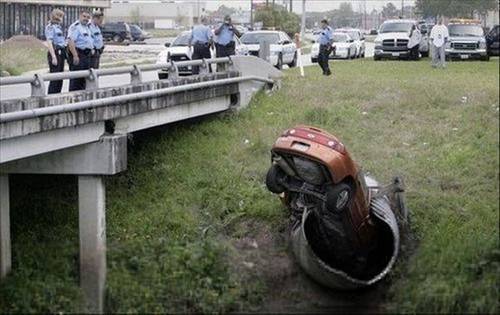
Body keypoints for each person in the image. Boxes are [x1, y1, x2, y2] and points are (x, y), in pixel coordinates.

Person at [67, 11, 94, 91]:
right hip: (79, 55)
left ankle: (81, 99)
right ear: (79, 16)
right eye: (84, 16)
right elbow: (71, 41)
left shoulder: (87, 27)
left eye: (88, 17)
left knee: (84, 79)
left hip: (86, 56)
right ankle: (73, 99)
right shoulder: (76, 27)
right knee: (76, 80)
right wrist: (75, 55)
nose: (86, 19)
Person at [45, 9, 66, 94]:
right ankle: (51, 97)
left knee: (59, 78)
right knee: (55, 78)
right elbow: (49, 42)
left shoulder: (58, 27)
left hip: (61, 52)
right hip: (55, 52)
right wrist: (53, 56)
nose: (61, 18)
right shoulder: (50, 27)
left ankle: (57, 96)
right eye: (59, 16)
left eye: (61, 16)